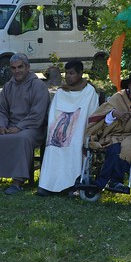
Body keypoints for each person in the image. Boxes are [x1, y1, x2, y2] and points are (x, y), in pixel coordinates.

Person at [0, 54, 50, 194]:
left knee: (21, 138)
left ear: (27, 67)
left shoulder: (38, 86)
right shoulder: (8, 86)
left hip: (32, 127)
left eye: (20, 67)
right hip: (9, 126)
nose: (17, 71)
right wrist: (2, 126)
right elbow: (1, 109)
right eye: (13, 68)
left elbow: (37, 114)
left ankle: (18, 181)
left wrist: (19, 127)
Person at [86, 68, 131, 194]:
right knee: (114, 148)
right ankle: (112, 181)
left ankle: (103, 183)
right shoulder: (118, 98)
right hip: (112, 134)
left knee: (127, 147)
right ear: (129, 85)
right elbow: (100, 117)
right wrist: (114, 114)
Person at [37, 60, 100, 196]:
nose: (68, 77)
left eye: (71, 73)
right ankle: (47, 184)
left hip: (80, 129)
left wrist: (80, 132)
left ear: (81, 74)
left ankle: (72, 185)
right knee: (52, 146)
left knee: (75, 144)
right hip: (59, 128)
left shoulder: (89, 92)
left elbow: (91, 115)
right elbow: (53, 114)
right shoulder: (61, 92)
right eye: (66, 73)